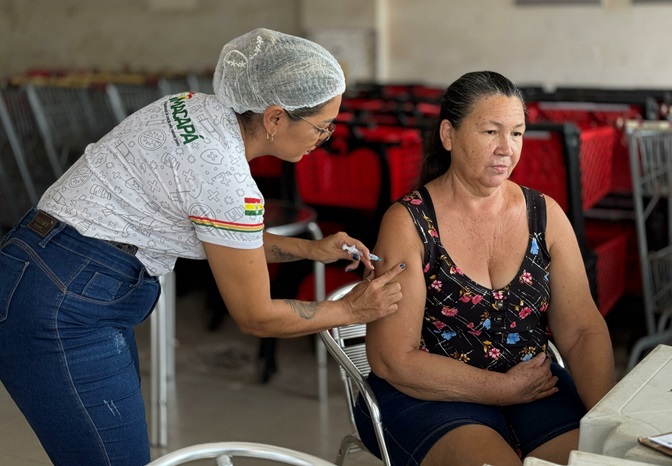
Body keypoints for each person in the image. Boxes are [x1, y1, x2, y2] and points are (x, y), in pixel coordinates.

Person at [0, 28, 404, 466]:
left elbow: (232, 241)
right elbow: (256, 315)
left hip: (38, 257)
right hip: (65, 304)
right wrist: (352, 311)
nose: (322, 140)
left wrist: (313, 250)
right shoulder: (227, 180)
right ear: (273, 118)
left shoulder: (191, 107)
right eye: (322, 128)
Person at [353, 71, 616, 466]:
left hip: (532, 383)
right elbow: (393, 358)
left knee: (596, 460)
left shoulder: (544, 215)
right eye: (491, 132)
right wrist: (501, 389)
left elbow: (581, 329)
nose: (506, 149)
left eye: (517, 133)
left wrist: (608, 422)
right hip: (427, 393)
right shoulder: (409, 222)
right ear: (448, 135)